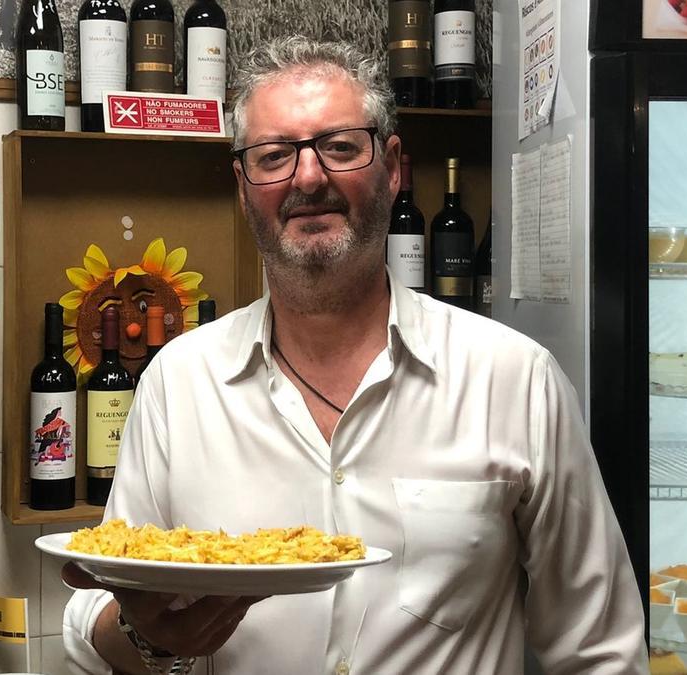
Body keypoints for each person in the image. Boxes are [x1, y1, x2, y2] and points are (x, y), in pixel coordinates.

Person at [61, 36, 647, 675]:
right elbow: (96, 617)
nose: (308, 178)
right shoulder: (180, 382)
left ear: (393, 167)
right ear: (241, 183)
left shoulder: (515, 380)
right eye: (274, 154)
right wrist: (153, 638)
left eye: (339, 147)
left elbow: (600, 652)